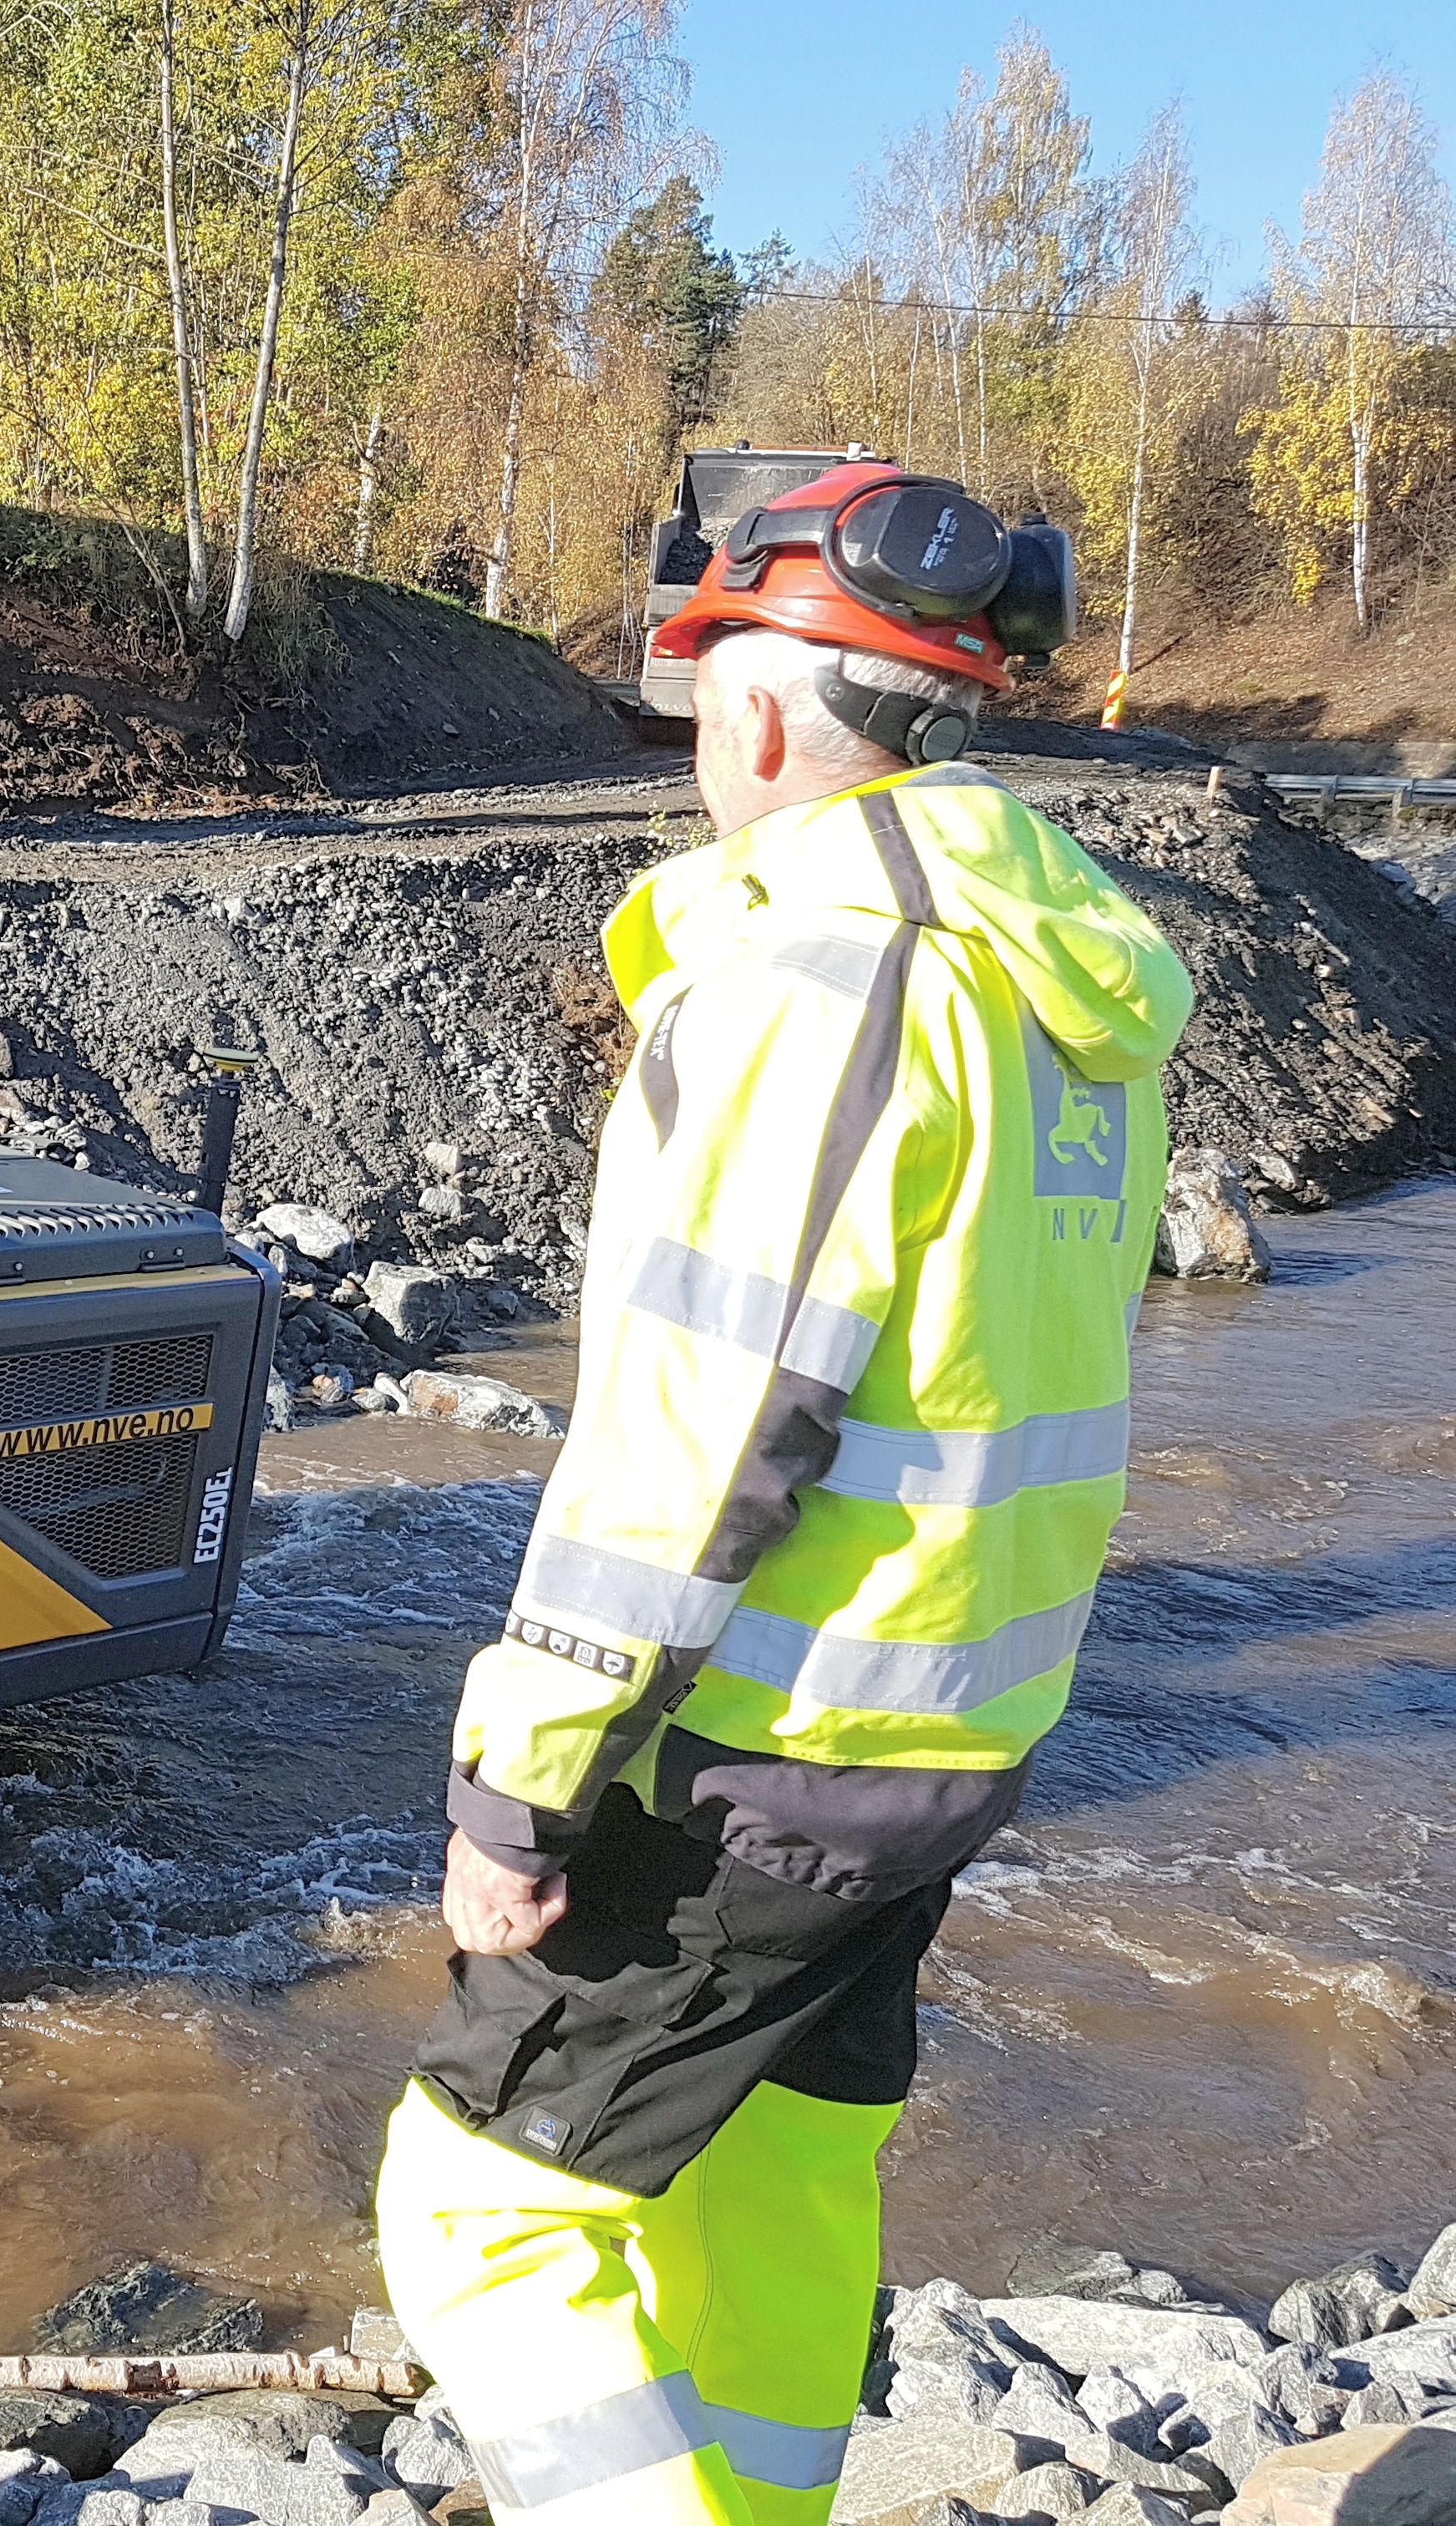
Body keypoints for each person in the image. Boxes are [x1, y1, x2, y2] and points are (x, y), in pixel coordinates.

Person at [372, 463, 1197, 2526]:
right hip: (948, 1719)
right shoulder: (1047, 971)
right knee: (778, 2184)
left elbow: (704, 1433)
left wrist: (524, 1776)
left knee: (485, 2218)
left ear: (758, 714)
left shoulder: (822, 978)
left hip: (770, 1742)